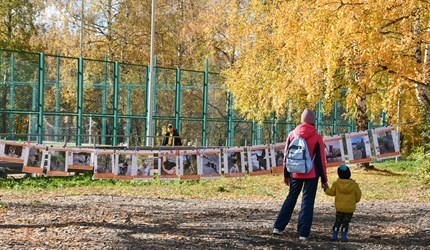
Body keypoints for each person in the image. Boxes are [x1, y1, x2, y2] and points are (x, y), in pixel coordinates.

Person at [273, 108, 328, 241]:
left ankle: (278, 228)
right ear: (314, 121)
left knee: (291, 198)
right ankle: (303, 234)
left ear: (302, 120)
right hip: (311, 174)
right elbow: (321, 160)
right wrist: (324, 179)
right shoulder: (317, 137)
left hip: (295, 173)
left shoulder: (292, 134)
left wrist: (286, 174)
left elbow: (286, 155)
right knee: (307, 203)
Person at [324, 164, 362, 241]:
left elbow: (331, 192)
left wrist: (325, 188)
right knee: (346, 223)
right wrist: (354, 202)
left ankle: (334, 235)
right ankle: (343, 236)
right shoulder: (354, 185)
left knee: (337, 221)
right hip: (349, 208)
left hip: (339, 207)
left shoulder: (336, 184)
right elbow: (358, 195)